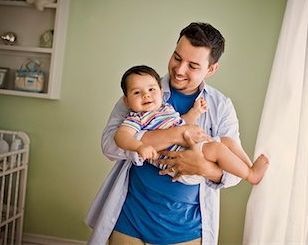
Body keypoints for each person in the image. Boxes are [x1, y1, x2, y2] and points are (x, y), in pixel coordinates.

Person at [86, 22, 262, 245]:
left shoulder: (221, 106)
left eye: (193, 65)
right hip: (129, 220)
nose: (179, 70)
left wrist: (203, 167)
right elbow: (110, 146)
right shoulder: (142, 90)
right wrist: (176, 135)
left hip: (186, 230)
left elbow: (235, 173)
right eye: (177, 58)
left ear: (211, 69)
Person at [115, 65, 269, 186]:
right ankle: (251, 176)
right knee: (218, 148)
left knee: (227, 141)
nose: (146, 95)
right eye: (136, 92)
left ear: (161, 93)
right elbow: (121, 136)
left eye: (151, 89)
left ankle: (250, 167)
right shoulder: (137, 117)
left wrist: (196, 112)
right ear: (127, 101)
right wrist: (139, 147)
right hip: (180, 161)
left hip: (195, 149)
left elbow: (183, 124)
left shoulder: (165, 108)